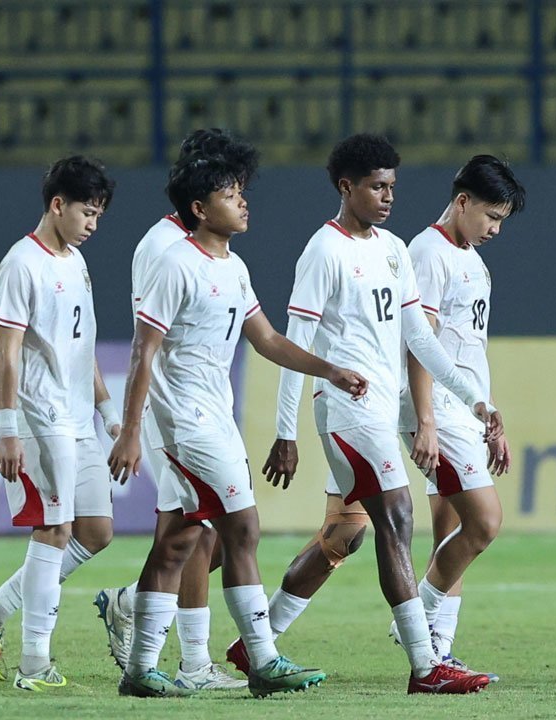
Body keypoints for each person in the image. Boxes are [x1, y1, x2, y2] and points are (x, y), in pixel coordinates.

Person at [237, 134, 502, 694]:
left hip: (378, 411)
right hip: (346, 408)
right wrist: (286, 433)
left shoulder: (393, 249)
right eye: (377, 187)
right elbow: (295, 344)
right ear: (346, 186)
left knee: (344, 534)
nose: (387, 197)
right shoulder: (323, 251)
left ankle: (255, 641)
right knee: (399, 515)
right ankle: (426, 667)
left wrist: (474, 399)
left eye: (392, 187)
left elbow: (422, 341)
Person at [107, 146, 369, 698]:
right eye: (231, 195)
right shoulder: (175, 264)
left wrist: (330, 369)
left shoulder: (234, 266)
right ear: (200, 209)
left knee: (179, 539)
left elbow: (268, 339)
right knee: (242, 528)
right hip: (186, 419)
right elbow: (142, 352)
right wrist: (131, 432)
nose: (244, 202)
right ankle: (263, 660)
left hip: (214, 414)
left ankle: (140, 671)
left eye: (242, 192)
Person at [93, 129, 255, 692]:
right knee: (208, 532)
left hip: (204, 409)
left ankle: (146, 619)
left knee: (196, 535)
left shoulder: (218, 253)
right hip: (173, 413)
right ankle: (192, 659)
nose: (239, 194)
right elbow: (149, 341)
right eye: (227, 184)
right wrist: (136, 426)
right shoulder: (164, 248)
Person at [0, 156, 118, 692]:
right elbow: (6, 354)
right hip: (39, 415)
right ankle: (34, 665)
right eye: (87, 212)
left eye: (98, 215)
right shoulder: (21, 264)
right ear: (57, 204)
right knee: (55, 529)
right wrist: (8, 429)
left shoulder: (76, 261)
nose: (92, 224)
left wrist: (108, 411)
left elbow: (81, 346)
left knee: (96, 532)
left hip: (78, 417)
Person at [391, 155, 526, 678]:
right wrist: (425, 421)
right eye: (491, 216)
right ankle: (414, 622)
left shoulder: (472, 258)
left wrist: (486, 418)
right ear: (462, 201)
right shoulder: (427, 253)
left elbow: (468, 349)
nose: (495, 229)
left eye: (502, 220)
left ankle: (438, 651)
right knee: (485, 522)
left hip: (463, 411)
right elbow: (418, 344)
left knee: (453, 534)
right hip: (437, 411)